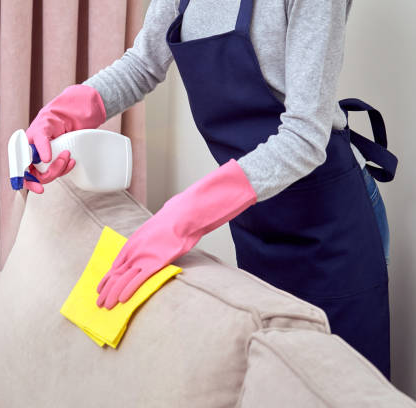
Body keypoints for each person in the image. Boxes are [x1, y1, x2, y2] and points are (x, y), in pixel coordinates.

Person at [23, 0, 397, 378]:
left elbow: (304, 137)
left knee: (340, 388)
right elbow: (143, 64)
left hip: (330, 230)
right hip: (257, 223)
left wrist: (185, 214)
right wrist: (65, 113)